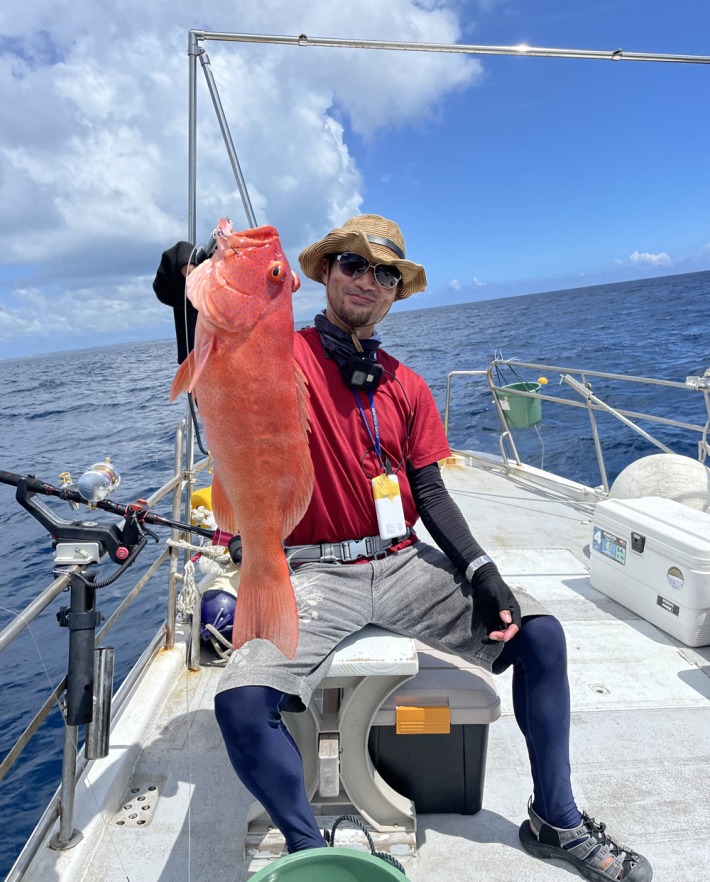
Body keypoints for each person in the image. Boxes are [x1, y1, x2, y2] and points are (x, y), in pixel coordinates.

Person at [155, 215, 651, 882]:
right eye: (353, 265)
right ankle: (311, 851)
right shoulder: (283, 349)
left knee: (542, 636)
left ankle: (555, 820)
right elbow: (223, 348)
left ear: (396, 293)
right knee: (239, 702)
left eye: (384, 273)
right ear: (326, 273)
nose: (368, 280)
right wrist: (177, 282)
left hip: (401, 561)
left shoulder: (408, 385)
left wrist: (483, 572)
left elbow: (431, 491)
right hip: (310, 570)